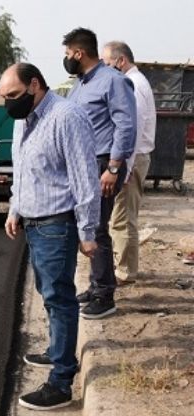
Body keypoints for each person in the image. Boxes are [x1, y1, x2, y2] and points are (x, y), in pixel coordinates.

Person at [0, 63, 101, 410]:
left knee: (60, 298)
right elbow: (23, 171)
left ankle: (61, 382)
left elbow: (85, 177)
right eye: (3, 97)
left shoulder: (65, 117)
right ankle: (55, 350)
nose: (8, 103)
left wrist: (87, 231)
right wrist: (15, 208)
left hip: (57, 224)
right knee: (48, 292)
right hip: (33, 221)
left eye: (12, 95)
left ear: (34, 85)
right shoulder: (22, 120)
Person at [63, 28, 137, 319]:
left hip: (103, 164)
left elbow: (126, 126)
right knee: (87, 225)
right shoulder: (80, 84)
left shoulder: (113, 81)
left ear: (79, 53)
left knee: (98, 228)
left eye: (68, 54)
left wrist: (113, 168)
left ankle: (105, 295)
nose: (66, 59)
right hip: (83, 164)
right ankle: (95, 285)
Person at [102, 41, 157, 284]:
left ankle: (124, 272)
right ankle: (126, 268)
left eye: (107, 64)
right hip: (134, 159)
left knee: (122, 219)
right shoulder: (137, 82)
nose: (106, 70)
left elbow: (131, 132)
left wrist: (122, 170)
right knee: (124, 217)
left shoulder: (132, 85)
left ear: (120, 60)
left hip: (132, 160)